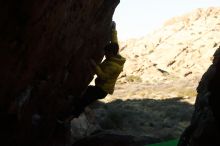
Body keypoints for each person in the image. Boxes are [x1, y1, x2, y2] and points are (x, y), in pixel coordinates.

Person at [58, 21, 126, 122]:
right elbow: (114, 41)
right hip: (99, 88)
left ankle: (68, 119)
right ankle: (70, 109)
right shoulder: (114, 55)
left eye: (106, 53)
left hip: (102, 90)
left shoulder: (114, 66)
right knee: (83, 94)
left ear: (111, 53)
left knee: (83, 101)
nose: (105, 55)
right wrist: (113, 29)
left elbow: (103, 76)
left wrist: (95, 66)